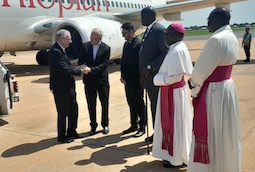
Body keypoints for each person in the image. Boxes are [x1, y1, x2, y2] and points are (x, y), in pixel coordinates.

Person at [187, 8, 242, 172]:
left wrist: (193, 88)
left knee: (213, 132)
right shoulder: (232, 36)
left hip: (214, 91)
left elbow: (199, 72)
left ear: (217, 20)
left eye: (209, 19)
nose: (207, 22)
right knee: (226, 133)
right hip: (227, 87)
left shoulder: (216, 40)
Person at [152, 23, 193, 168]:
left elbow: (174, 77)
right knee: (175, 125)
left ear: (175, 35)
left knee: (176, 125)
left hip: (174, 93)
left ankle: (176, 158)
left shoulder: (177, 50)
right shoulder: (175, 48)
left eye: (167, 33)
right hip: (172, 92)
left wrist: (156, 79)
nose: (165, 35)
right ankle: (172, 155)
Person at [48, 29, 84, 143]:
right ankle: (62, 136)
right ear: (62, 39)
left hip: (68, 86)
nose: (71, 41)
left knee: (73, 109)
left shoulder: (61, 50)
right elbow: (64, 69)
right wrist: (80, 70)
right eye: (69, 39)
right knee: (63, 112)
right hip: (61, 88)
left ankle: (72, 131)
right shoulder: (55, 52)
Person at [139, 7, 169, 143]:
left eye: (143, 17)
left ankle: (161, 133)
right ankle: (157, 132)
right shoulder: (149, 30)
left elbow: (165, 52)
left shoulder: (158, 30)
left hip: (155, 76)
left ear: (150, 17)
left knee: (157, 105)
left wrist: (150, 67)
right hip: (148, 78)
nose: (141, 19)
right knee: (153, 105)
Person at [78, 28, 111, 136]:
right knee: (91, 104)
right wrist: (83, 66)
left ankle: (105, 124)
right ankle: (93, 125)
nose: (92, 40)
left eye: (94, 38)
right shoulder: (85, 46)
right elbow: (80, 61)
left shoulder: (106, 48)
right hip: (89, 81)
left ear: (100, 39)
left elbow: (104, 65)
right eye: (91, 38)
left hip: (101, 80)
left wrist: (91, 70)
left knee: (104, 103)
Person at [120, 22, 146, 137]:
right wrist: (122, 75)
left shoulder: (139, 44)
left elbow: (137, 64)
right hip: (127, 80)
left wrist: (128, 76)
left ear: (131, 31)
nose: (123, 36)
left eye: (124, 33)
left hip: (136, 80)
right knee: (131, 103)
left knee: (139, 103)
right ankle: (133, 124)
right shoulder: (126, 44)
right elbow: (123, 62)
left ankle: (142, 126)